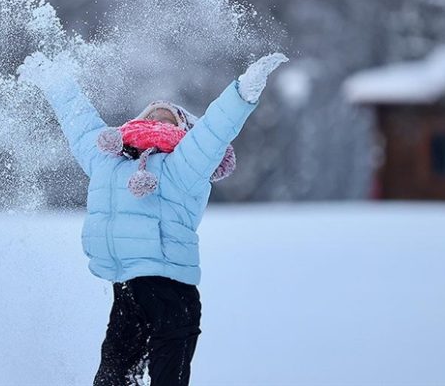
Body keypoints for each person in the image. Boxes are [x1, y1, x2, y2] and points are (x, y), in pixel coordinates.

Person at [17, 51, 288, 386]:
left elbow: (215, 131)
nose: (159, 121)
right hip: (127, 291)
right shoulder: (108, 162)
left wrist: (243, 92)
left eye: (169, 120)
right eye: (151, 117)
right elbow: (80, 122)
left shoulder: (185, 165)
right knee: (111, 379)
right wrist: (55, 83)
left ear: (185, 131)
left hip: (172, 293)